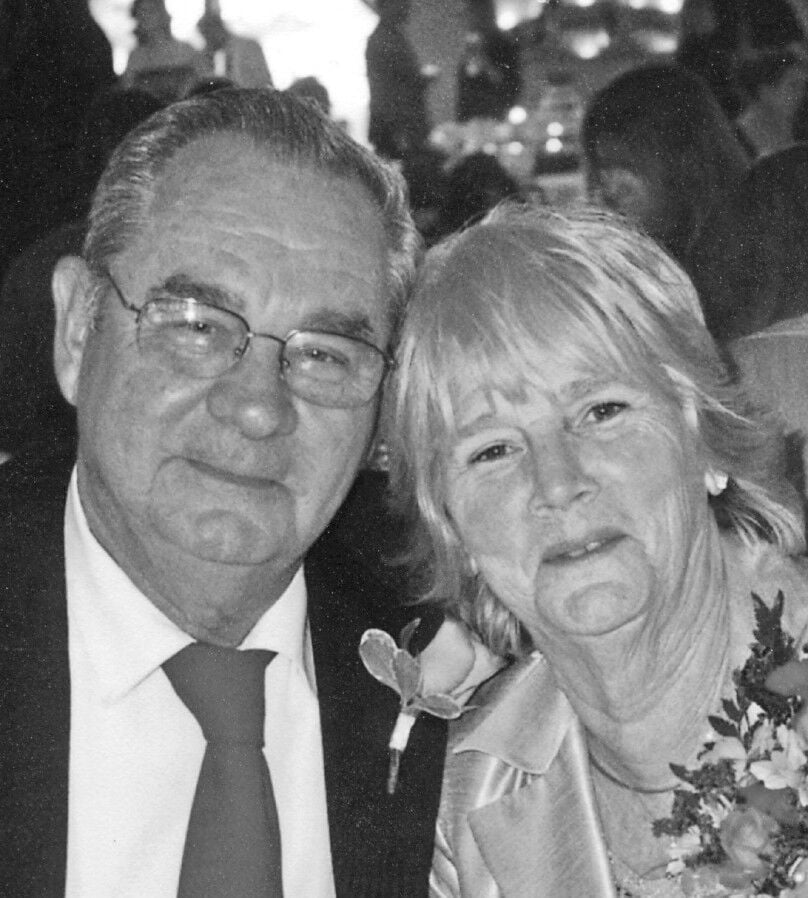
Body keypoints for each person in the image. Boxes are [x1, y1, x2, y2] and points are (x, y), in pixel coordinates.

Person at [0, 87, 447, 897]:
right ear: (76, 330)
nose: (257, 407)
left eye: (324, 354)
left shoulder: (466, 663)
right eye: (197, 325)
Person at [387, 204, 808, 896]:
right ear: (453, 528)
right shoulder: (468, 795)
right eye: (493, 450)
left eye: (601, 412)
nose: (557, 484)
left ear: (703, 437)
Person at [582, 64, 750, 282]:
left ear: (683, 166)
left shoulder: (744, 253)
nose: (607, 189)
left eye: (626, 166)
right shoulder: (622, 264)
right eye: (602, 168)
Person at [366, 0, 433, 161]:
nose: (407, 8)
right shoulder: (385, 40)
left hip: (396, 125)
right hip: (397, 126)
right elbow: (399, 84)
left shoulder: (391, 37)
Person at [122, 0, 207, 102]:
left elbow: (204, 86)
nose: (144, 17)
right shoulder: (136, 57)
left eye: (150, 11)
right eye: (140, 13)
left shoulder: (186, 51)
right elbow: (128, 91)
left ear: (163, 13)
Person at [456, 0, 521, 123]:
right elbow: (464, 85)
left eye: (472, 13)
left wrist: (485, 62)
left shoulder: (503, 44)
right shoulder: (470, 43)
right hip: (470, 118)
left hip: (496, 116)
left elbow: (511, 84)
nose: (469, 18)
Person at [196, 2, 273, 89]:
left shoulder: (247, 47)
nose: (207, 40)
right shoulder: (208, 55)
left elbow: (263, 84)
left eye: (208, 34)